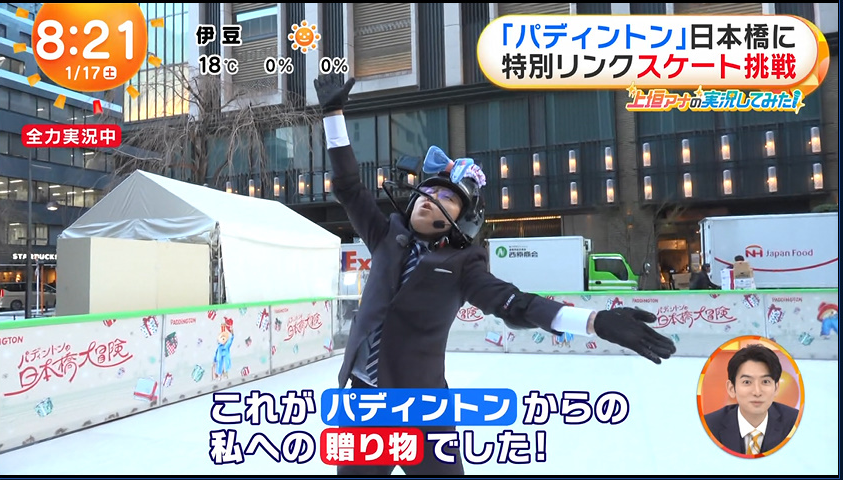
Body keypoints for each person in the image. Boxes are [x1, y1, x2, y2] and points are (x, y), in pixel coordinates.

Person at [313, 73, 677, 476]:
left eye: (446, 197)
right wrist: (333, 114)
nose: (430, 199)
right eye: (428, 191)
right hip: (363, 404)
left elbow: (516, 304)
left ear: (464, 220)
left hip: (422, 407)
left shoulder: (464, 264)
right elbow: (349, 186)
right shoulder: (385, 235)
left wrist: (594, 321)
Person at [703, 344, 799, 456]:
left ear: (776, 388)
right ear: (731, 388)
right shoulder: (709, 426)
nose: (757, 392)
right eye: (747, 382)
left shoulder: (796, 423)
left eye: (765, 382)